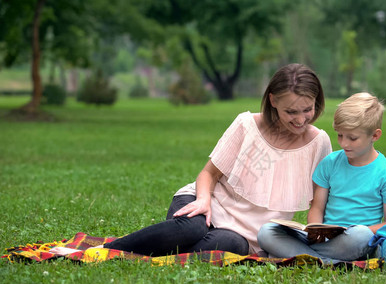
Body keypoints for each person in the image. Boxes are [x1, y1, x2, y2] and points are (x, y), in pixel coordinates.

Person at [51, 63, 332, 257]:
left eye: (307, 110)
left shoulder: (319, 143)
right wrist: (203, 201)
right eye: (290, 111)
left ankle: (156, 249)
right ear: (272, 101)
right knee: (194, 226)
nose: (300, 119)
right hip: (205, 202)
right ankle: (100, 252)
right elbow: (208, 175)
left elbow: (322, 202)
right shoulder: (247, 124)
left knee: (226, 242)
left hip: (247, 235)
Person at [257, 92, 386, 263]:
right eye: (340, 135)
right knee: (267, 231)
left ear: (375, 135)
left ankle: (303, 256)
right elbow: (317, 208)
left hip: (356, 240)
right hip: (323, 240)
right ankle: (326, 261)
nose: (344, 144)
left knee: (361, 235)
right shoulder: (330, 163)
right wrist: (314, 230)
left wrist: (357, 230)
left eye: (353, 138)